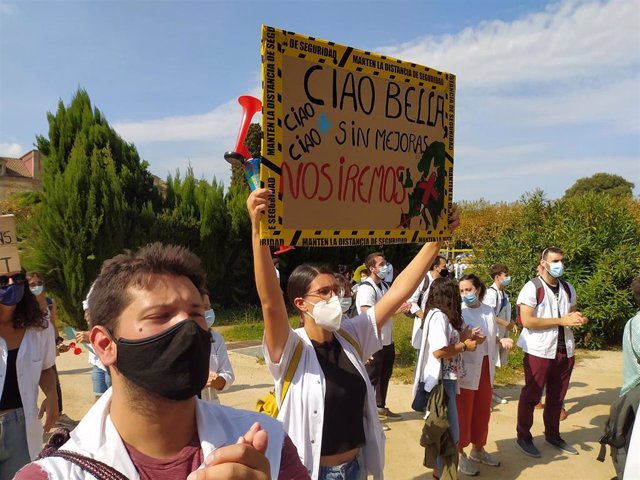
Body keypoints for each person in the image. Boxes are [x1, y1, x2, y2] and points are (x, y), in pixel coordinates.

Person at [16, 242, 308, 479]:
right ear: (105, 345)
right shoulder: (51, 476)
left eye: (196, 315)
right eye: (160, 316)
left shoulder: (267, 445)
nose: (187, 327)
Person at [247, 188, 459, 480]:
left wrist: (434, 242)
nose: (334, 298)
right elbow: (270, 302)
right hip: (312, 472)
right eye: (323, 292)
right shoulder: (291, 348)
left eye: (335, 290)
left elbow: (398, 292)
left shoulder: (350, 336)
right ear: (300, 304)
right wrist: (258, 233)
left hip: (355, 468)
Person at [515, 247, 587, 458]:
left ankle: (553, 434)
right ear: (544, 263)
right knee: (532, 395)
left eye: (562, 260)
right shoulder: (532, 287)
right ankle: (523, 437)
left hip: (565, 350)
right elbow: (527, 320)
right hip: (539, 349)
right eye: (555, 260)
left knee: (557, 397)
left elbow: (570, 314)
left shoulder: (567, 288)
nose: (560, 264)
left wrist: (578, 319)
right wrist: (561, 320)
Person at [413, 277, 478, 479]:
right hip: (442, 381)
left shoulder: (438, 315)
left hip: (445, 379)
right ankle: (445, 474)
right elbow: (439, 352)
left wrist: (464, 335)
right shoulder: (439, 317)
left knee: (442, 431)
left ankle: (437, 472)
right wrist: (464, 346)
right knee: (450, 435)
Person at [0, 271, 59, 479]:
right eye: (2, 280)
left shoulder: (39, 327)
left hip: (20, 428)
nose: (11, 285)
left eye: (16, 279)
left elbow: (45, 367)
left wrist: (52, 395)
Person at [456, 274, 513, 476]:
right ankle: (460, 454)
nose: (465, 294)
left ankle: (478, 449)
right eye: (462, 291)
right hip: (467, 368)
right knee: (464, 412)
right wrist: (468, 337)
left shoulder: (488, 310)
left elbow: (492, 335)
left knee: (482, 410)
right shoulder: (459, 312)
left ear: (478, 289)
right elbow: (457, 337)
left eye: (468, 290)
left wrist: (500, 341)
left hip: (486, 366)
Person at [356, 251, 410, 424]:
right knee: (371, 378)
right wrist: (395, 311)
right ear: (372, 268)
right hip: (373, 339)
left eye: (385, 263)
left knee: (384, 375)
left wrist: (401, 307)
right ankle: (367, 416)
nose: (385, 267)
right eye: (381, 264)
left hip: (387, 339)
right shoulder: (366, 288)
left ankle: (380, 407)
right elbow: (368, 314)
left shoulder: (385, 287)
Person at [26, 272, 71, 425]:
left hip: (46, 350)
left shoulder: (50, 303)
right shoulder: (21, 308)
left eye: (39, 283)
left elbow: (52, 325)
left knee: (53, 381)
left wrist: (57, 342)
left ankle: (58, 414)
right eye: (32, 284)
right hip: (28, 354)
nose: (37, 287)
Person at [482, 264, 517, 405]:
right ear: (497, 277)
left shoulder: (503, 293)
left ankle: (489, 392)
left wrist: (511, 322)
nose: (508, 278)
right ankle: (485, 395)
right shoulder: (491, 293)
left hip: (501, 335)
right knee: (488, 366)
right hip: (493, 335)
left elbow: (503, 312)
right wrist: (506, 324)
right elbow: (489, 315)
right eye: (505, 275)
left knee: (493, 366)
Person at [75, 288, 112, 402]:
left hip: (112, 364)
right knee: (98, 400)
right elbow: (87, 302)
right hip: (97, 362)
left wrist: (92, 336)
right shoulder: (97, 284)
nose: (86, 316)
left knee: (113, 402)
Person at [408, 255, 448, 355]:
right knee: (422, 356)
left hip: (440, 321)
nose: (446, 269)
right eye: (444, 267)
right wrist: (425, 318)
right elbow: (412, 302)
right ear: (436, 267)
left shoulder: (445, 281)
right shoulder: (423, 279)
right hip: (423, 323)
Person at [200, 293, 235, 404]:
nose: (209, 311)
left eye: (209, 307)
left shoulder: (216, 339)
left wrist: (218, 381)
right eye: (204, 308)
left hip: (211, 406)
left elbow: (228, 374)